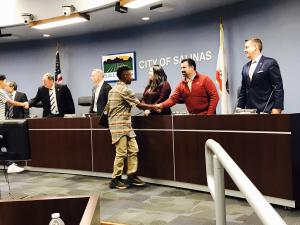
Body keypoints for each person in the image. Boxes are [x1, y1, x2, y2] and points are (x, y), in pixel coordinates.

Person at [107, 66, 156, 189]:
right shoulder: (124, 90)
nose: (131, 77)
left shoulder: (113, 90)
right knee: (121, 153)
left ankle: (131, 176)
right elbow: (140, 106)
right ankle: (115, 179)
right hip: (119, 126)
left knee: (133, 150)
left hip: (126, 126)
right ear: (124, 76)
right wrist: (155, 107)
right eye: (129, 75)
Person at [237, 38, 284, 114]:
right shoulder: (245, 67)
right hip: (250, 112)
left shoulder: (270, 63)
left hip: (267, 110)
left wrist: (277, 108)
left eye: (247, 47)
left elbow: (278, 87)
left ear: (255, 47)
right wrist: (239, 108)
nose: (244, 50)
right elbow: (243, 90)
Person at [0, 74, 28, 173]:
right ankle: (10, 165)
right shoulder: (0, 92)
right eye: (4, 82)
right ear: (1, 81)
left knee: (4, 143)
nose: (5, 84)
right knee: (6, 143)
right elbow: (11, 102)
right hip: (1, 122)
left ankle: (10, 164)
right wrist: (23, 104)